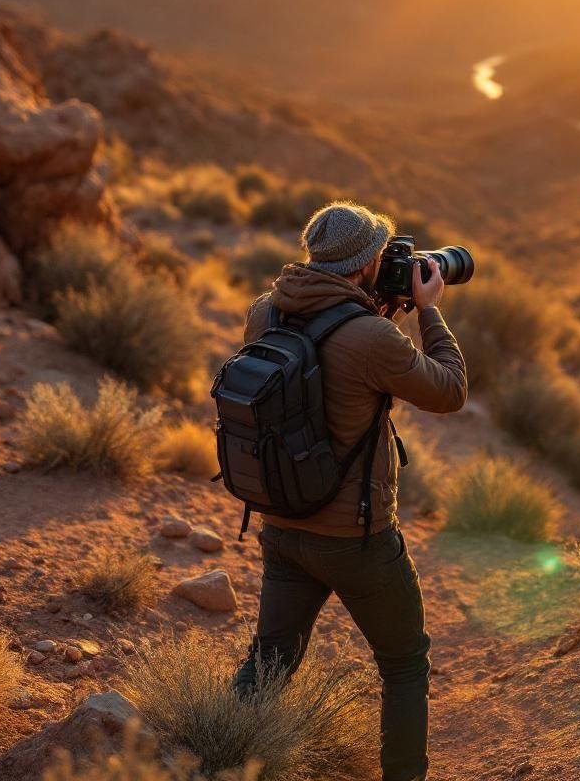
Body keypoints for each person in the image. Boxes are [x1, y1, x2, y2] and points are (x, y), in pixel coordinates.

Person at [234, 201, 467, 781]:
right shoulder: (370, 338)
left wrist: (376, 308)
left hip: (283, 526)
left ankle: (210, 758)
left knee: (269, 662)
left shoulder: (265, 312)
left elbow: (325, 349)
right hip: (357, 539)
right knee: (405, 664)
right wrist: (428, 314)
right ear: (366, 265)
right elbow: (450, 391)